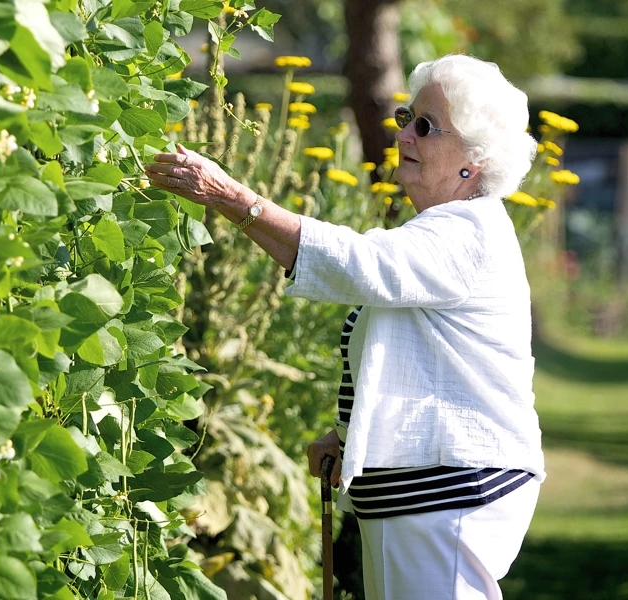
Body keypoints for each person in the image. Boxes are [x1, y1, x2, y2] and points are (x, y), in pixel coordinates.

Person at [144, 54, 544, 600]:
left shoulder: (467, 233)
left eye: (425, 126)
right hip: (425, 488)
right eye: (407, 116)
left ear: (471, 161)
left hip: (450, 489)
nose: (404, 132)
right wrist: (354, 433)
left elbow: (360, 265)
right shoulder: (446, 230)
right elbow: (421, 359)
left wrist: (232, 197)